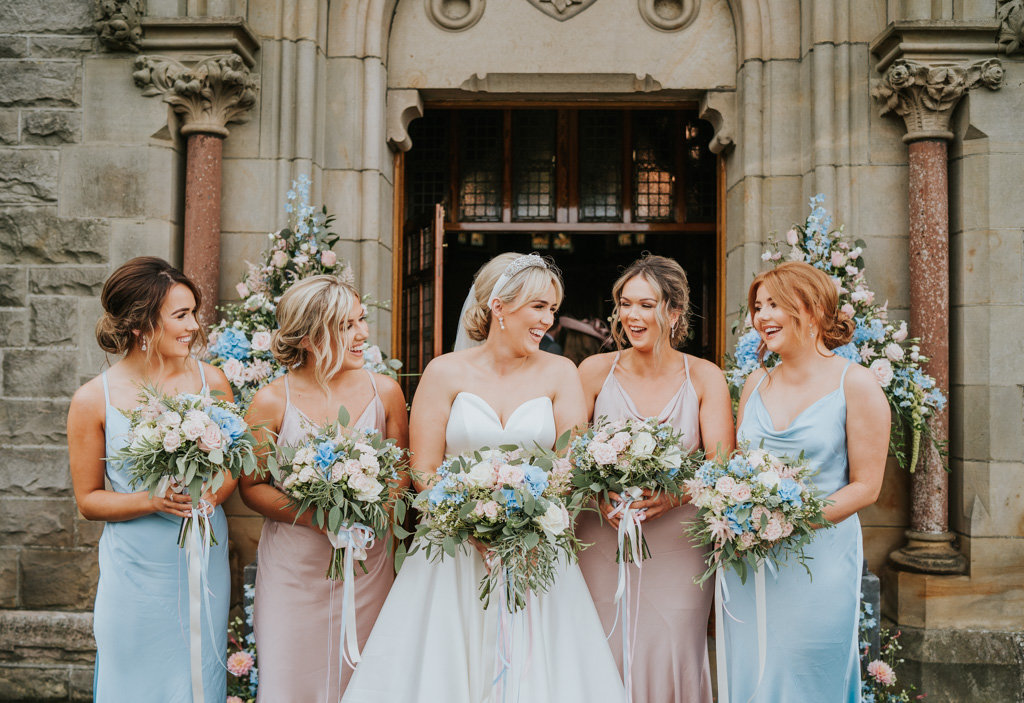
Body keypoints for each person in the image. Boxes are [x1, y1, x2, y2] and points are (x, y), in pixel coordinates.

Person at [342, 253, 624, 703]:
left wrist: (522, 521)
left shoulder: (560, 372)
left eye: (552, 308)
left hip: (533, 547)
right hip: (451, 551)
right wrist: (469, 521)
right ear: (499, 306)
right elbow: (423, 469)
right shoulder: (444, 371)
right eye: (538, 307)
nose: (548, 321)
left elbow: (569, 464)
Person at [67, 256, 233, 702]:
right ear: (142, 325)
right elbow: (89, 500)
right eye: (181, 315)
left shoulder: (212, 382)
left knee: (198, 677)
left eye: (193, 313)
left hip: (202, 556)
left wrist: (212, 496)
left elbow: (233, 466)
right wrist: (152, 501)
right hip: (136, 571)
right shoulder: (91, 400)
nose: (194, 326)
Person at [722, 261, 889, 701]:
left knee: (809, 672)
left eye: (774, 304)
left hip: (820, 558)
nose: (761, 317)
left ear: (812, 310)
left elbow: (866, 486)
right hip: (751, 558)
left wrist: (789, 520)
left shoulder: (857, 384)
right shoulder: (755, 382)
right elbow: (739, 465)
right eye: (758, 306)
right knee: (753, 667)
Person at [239, 275, 409, 701]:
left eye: (361, 320)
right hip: (294, 568)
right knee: (290, 676)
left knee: (366, 677)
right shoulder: (271, 401)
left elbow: (402, 471)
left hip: (368, 563)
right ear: (313, 335)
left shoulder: (385, 392)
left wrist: (374, 509)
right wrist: (318, 517)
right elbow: (252, 486)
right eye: (347, 325)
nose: (363, 334)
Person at [576, 255, 735, 702]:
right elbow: (567, 455)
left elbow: (721, 463)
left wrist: (677, 494)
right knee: (603, 642)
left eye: (646, 305)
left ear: (673, 312)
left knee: (674, 644)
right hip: (601, 531)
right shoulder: (592, 371)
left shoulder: (704, 377)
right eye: (625, 304)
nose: (631, 315)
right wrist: (597, 491)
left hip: (679, 539)